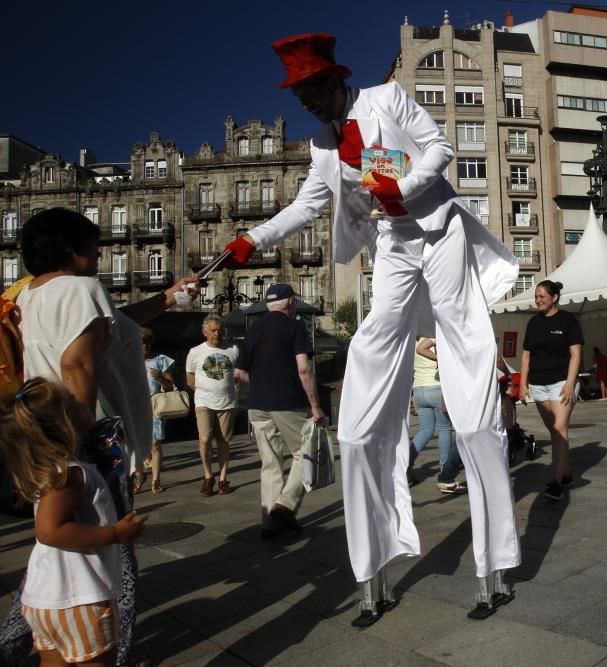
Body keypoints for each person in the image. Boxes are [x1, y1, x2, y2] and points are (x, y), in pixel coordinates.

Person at [220, 33, 520, 623]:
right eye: (299, 96)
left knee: (462, 331)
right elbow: (308, 204)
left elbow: (438, 149)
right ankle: (362, 438)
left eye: (310, 92)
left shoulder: (387, 99)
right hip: (393, 243)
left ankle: (480, 439)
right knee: (376, 335)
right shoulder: (322, 145)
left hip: (439, 228)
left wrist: (398, 187)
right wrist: (254, 239)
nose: (305, 104)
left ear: (334, 81)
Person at [3, 207, 196, 667]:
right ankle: (108, 650)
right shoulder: (82, 289)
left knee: (60, 545)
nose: (99, 253)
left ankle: (31, 637)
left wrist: (168, 298)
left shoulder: (33, 294)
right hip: (87, 441)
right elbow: (79, 364)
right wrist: (83, 444)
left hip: (47, 436)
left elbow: (117, 322)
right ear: (72, 248)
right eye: (93, 244)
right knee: (109, 548)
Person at [0, 377, 146, 667]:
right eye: (73, 402)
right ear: (64, 424)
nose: (82, 401)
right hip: (80, 598)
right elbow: (49, 530)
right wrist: (115, 533)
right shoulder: (70, 474)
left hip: (45, 600)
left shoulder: (57, 471)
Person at [234, 284, 325, 538]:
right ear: (291, 302)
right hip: (288, 401)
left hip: (257, 404)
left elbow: (239, 374)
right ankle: (284, 505)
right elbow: (304, 369)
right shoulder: (295, 326)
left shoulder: (253, 331)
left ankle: (270, 523)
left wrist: (263, 382)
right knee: (305, 451)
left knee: (270, 462)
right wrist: (316, 406)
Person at [518, 280, 583, 501]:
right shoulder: (533, 323)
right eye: (536, 297)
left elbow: (575, 354)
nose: (538, 300)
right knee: (555, 431)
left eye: (542, 296)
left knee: (558, 428)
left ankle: (556, 482)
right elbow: (526, 355)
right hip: (538, 385)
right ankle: (566, 474)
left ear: (554, 297)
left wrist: (569, 383)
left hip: (561, 382)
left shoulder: (568, 320)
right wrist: (523, 384)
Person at [186, 314, 239, 497]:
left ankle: (224, 478)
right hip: (203, 402)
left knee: (224, 441)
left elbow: (239, 374)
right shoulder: (195, 352)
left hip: (227, 402)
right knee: (205, 439)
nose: (218, 334)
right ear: (205, 332)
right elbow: (190, 378)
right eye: (214, 330)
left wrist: (235, 389)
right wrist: (203, 392)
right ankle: (208, 476)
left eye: (221, 330)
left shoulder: (233, 350)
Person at [408, 337, 462, 493]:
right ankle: (445, 469)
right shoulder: (434, 337)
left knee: (425, 429)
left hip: (418, 389)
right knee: (445, 428)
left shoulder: (413, 340)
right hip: (436, 387)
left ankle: (408, 462)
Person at [137, 327, 175, 494]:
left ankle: (155, 480)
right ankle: (139, 475)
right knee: (136, 445)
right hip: (135, 406)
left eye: (147, 343)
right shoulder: (129, 360)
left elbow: (170, 386)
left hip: (155, 406)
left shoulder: (160, 360)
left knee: (155, 444)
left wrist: (159, 377)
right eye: (141, 343)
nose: (144, 346)